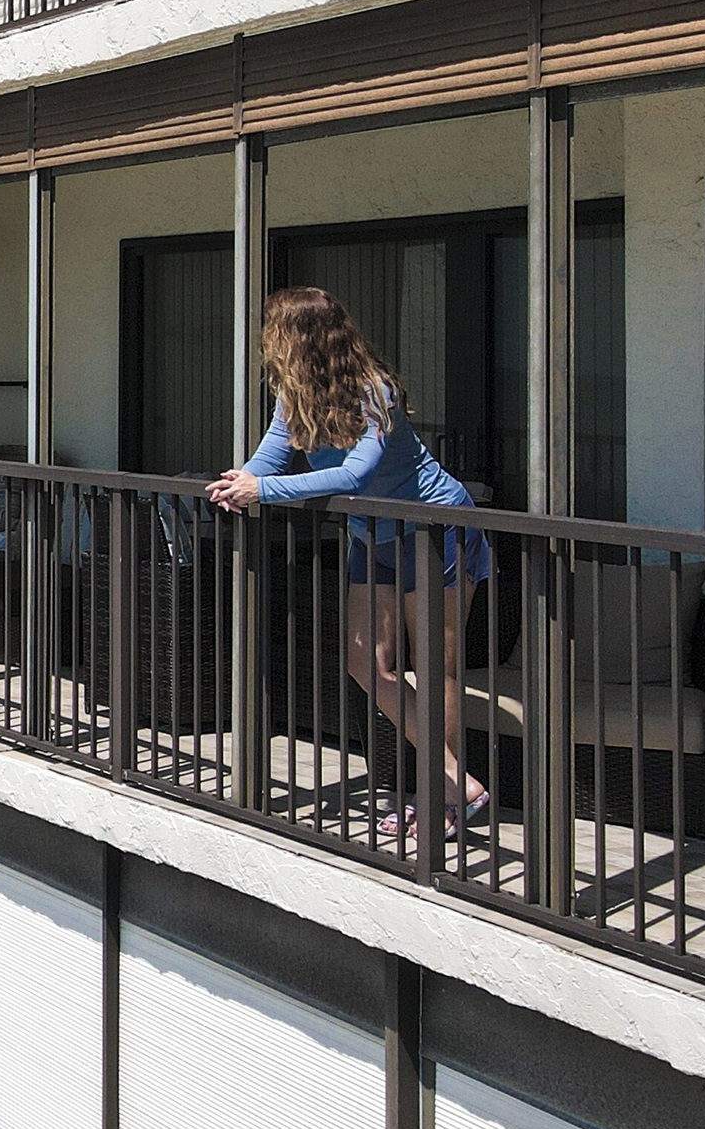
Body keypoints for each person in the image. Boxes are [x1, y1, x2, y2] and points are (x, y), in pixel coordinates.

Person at [207, 285, 493, 842]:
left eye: (273, 331)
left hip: (434, 530)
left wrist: (262, 490)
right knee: (368, 662)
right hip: (373, 533)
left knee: (437, 671)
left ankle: (439, 801)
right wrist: (236, 481)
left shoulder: (374, 390)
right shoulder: (294, 396)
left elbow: (355, 475)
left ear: (298, 338)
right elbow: (269, 458)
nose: (266, 342)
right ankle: (459, 782)